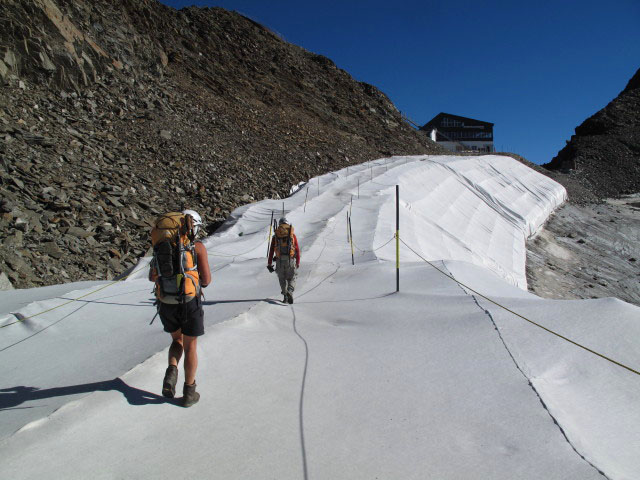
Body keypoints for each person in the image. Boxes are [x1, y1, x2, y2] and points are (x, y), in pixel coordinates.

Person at [149, 209, 211, 407]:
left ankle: (172, 368)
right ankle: (189, 391)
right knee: (190, 345)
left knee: (177, 340)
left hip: (166, 301)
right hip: (189, 301)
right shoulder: (197, 247)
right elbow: (207, 280)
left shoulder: (161, 245)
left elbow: (152, 276)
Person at [267, 217, 300, 304]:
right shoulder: (292, 235)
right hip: (290, 260)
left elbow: (271, 251)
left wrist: (269, 264)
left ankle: (285, 295)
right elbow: (297, 250)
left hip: (279, 261)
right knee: (292, 277)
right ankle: (290, 290)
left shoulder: (276, 236)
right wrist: (298, 262)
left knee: (282, 278)